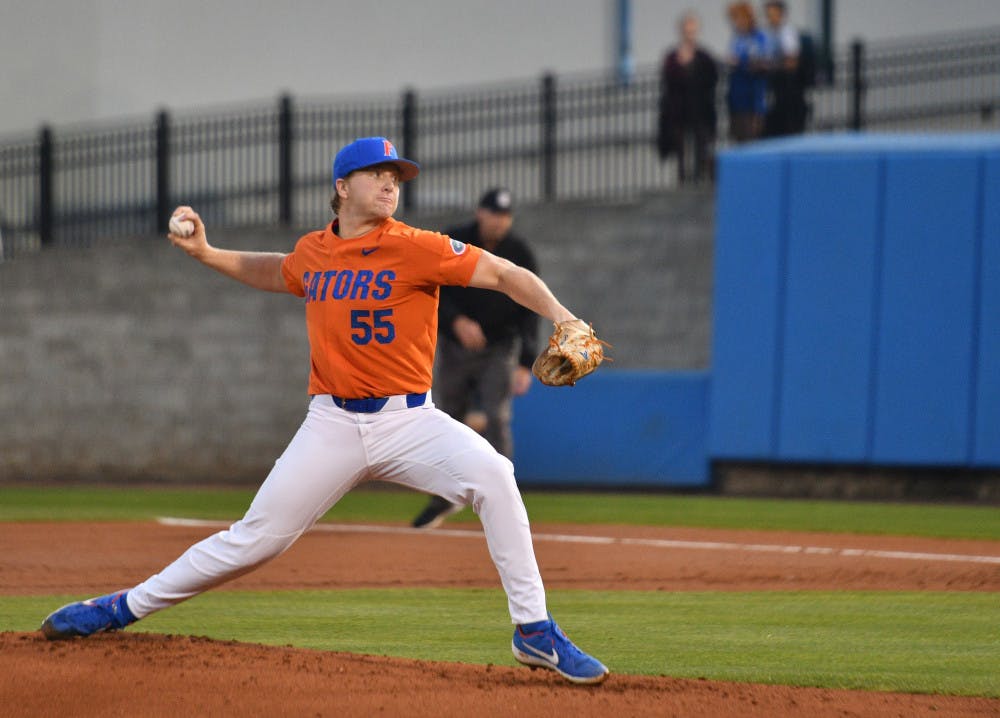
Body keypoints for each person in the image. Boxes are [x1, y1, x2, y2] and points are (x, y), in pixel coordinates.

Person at [38, 136, 610, 686]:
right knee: (257, 539)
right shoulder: (315, 251)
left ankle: (534, 629)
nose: (391, 185)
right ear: (343, 186)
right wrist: (207, 253)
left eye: (396, 178)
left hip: (409, 420)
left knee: (495, 475)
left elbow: (505, 274)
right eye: (378, 175)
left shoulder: (418, 246)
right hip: (332, 423)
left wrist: (563, 316)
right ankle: (121, 606)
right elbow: (276, 269)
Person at [411, 187, 539, 530]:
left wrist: (527, 361)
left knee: (496, 417)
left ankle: (505, 501)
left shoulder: (519, 251)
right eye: (493, 214)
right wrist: (456, 321)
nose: (499, 221)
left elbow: (529, 307)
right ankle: (443, 499)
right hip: (457, 347)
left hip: (500, 347)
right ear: (480, 212)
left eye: (505, 216)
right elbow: (432, 288)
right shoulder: (456, 241)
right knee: (445, 418)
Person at [656, 10, 719, 185]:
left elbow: (712, 78)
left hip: (700, 108)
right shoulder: (672, 57)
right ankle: (683, 177)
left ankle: (699, 176)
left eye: (693, 30)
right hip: (678, 109)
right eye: (687, 30)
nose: (690, 34)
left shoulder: (704, 57)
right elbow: (668, 78)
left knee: (701, 144)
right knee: (681, 145)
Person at [724, 1, 770, 143]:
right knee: (739, 137)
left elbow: (764, 62)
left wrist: (742, 62)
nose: (736, 23)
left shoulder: (759, 37)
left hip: (754, 98)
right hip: (737, 95)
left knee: (753, 138)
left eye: (738, 18)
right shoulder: (737, 38)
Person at [762, 0, 808, 137]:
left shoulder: (787, 33)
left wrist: (772, 65)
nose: (770, 18)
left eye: (773, 14)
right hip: (774, 86)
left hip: (787, 88)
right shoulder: (768, 34)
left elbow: (791, 61)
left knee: (788, 128)